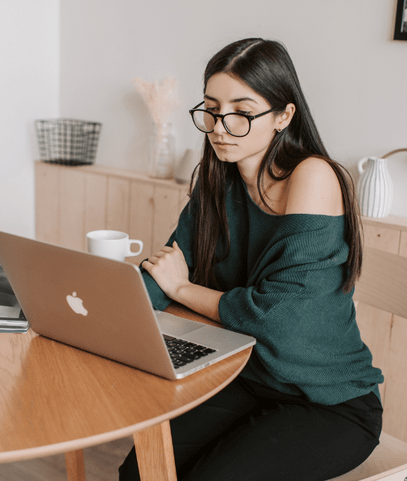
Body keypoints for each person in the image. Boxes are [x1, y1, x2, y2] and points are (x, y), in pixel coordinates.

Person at [118, 38, 384, 481]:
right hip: (245, 376)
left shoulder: (313, 175)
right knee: (141, 472)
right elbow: (162, 270)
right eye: (212, 109)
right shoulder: (215, 183)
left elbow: (276, 317)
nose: (221, 126)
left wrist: (183, 290)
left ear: (284, 115)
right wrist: (104, 309)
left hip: (326, 400)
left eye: (242, 112)